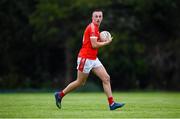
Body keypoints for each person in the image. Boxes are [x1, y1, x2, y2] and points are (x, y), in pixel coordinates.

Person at [54, 10, 125, 110]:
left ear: (102, 18)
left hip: (93, 58)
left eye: (100, 16)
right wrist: (106, 42)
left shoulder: (96, 28)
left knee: (106, 78)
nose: (98, 18)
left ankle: (112, 104)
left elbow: (94, 43)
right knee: (80, 82)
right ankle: (60, 95)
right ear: (92, 18)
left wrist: (101, 40)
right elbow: (94, 45)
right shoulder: (92, 27)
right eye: (96, 16)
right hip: (85, 58)